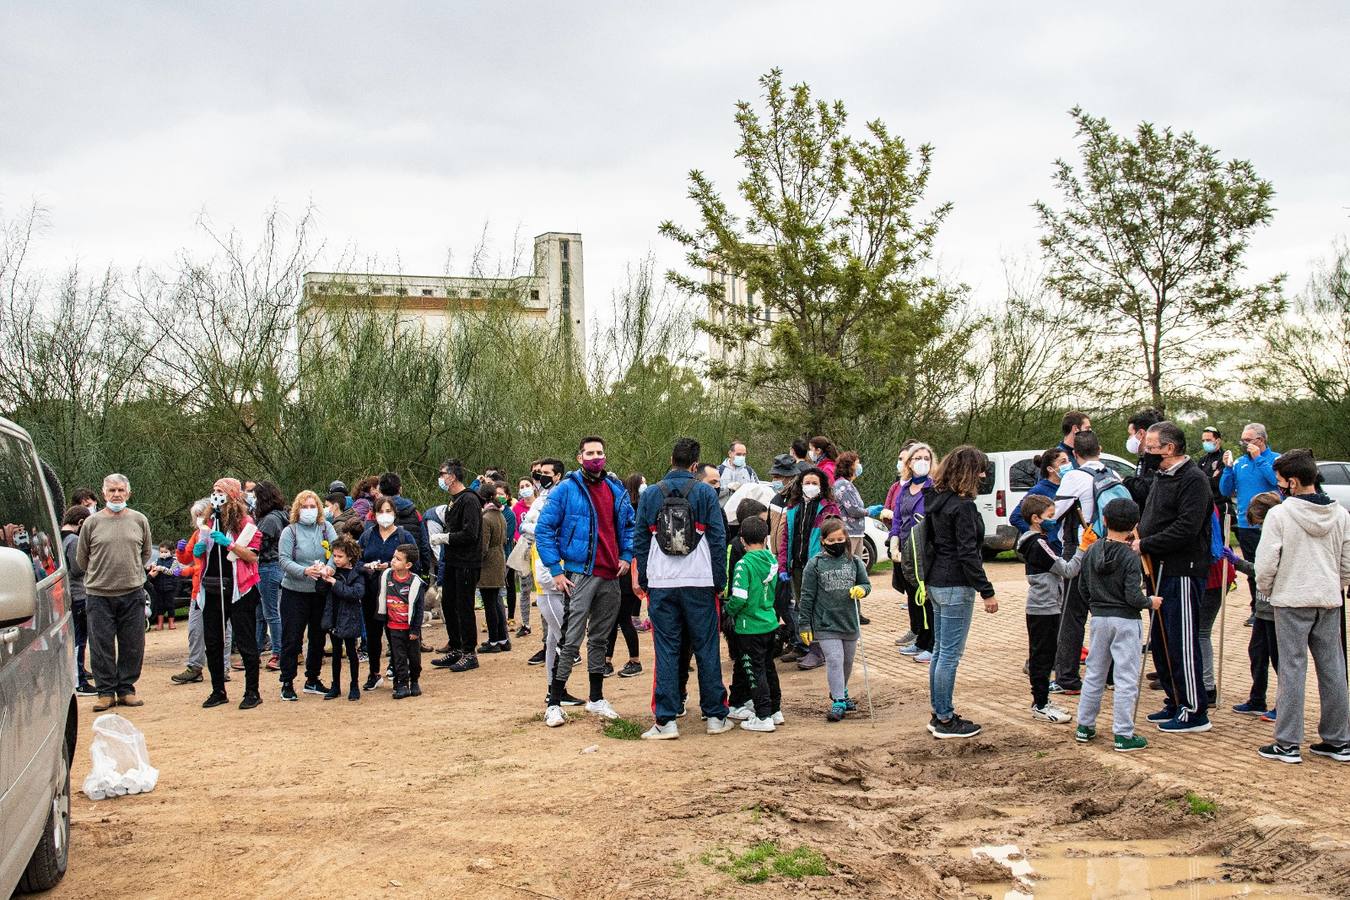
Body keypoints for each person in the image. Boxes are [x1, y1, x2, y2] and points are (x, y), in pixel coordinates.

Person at [1254, 450, 1350, 764]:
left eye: (1281, 481)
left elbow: (1266, 563)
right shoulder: (1342, 515)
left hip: (1292, 600)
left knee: (1292, 669)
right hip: (1327, 598)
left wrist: (1267, 589)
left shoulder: (1280, 515)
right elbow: (1347, 563)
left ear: (1293, 482)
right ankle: (1339, 740)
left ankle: (1287, 743)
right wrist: (1336, 584)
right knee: (1333, 669)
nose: (1279, 485)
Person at [534, 436, 636, 727]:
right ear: (580, 457)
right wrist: (555, 569)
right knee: (569, 639)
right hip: (579, 573)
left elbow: (628, 525)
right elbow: (544, 530)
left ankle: (596, 698)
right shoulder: (566, 489)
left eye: (600, 452)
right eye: (590, 453)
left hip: (610, 575)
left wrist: (626, 555)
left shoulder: (615, 489)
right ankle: (554, 702)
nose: (595, 457)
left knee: (600, 639)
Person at [636, 437, 729, 740]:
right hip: (700, 582)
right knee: (707, 649)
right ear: (694, 465)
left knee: (667, 650)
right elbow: (717, 538)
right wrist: (719, 581)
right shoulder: (704, 492)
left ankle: (666, 720)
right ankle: (715, 716)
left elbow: (639, 540)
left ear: (670, 459)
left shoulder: (651, 494)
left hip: (662, 584)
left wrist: (647, 580)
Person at [1136, 421, 1213, 734]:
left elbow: (1186, 528)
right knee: (1161, 640)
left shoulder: (1193, 479)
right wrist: (1138, 533)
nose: (1147, 453)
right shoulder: (1161, 477)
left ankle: (1194, 710)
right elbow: (1153, 515)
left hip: (1182, 569)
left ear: (1169, 448)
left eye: (1151, 448)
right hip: (1156, 568)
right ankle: (1175, 698)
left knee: (1181, 640)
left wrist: (1146, 543)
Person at [925, 446, 999, 739]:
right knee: (949, 656)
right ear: (969, 472)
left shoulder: (936, 499)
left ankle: (940, 712)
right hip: (956, 583)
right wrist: (987, 591)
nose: (983, 475)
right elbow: (968, 553)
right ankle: (944, 718)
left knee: (940, 652)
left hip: (936, 581)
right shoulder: (963, 506)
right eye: (980, 470)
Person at [1075, 497, 1158, 752]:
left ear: (1105, 521)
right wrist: (1150, 601)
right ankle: (1123, 733)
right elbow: (1133, 595)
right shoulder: (1130, 557)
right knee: (1125, 677)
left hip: (1099, 618)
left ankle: (1084, 726)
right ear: (1134, 525)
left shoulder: (1092, 550)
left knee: (1094, 673)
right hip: (1126, 620)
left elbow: (1082, 587)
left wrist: (1096, 606)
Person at [77, 473, 154, 712]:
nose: (116, 495)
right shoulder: (92, 523)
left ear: (128, 493)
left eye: (121, 490)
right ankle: (105, 692)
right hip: (99, 594)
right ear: (104, 494)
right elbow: (82, 558)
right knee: (101, 645)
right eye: (112, 491)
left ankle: (126, 689)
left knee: (133, 643)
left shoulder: (139, 520)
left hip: (132, 591)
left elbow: (146, 554)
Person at [1050, 430, 1113, 693]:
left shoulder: (1075, 476)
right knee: (1106, 611)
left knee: (1072, 614)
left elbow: (1056, 513)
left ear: (1075, 454)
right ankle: (1109, 676)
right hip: (1109, 548)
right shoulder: (1111, 474)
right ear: (1099, 449)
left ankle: (1067, 678)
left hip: (1081, 546)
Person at [195, 477, 265, 711]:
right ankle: (218, 690)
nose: (216, 495)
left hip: (239, 589)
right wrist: (197, 550)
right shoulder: (208, 520)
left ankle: (252, 691)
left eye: (221, 491)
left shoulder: (245, 523)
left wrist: (230, 544)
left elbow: (253, 556)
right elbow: (197, 553)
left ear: (233, 495)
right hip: (212, 588)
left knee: (245, 641)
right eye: (214, 490)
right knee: (213, 642)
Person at [1016, 494, 1083, 724]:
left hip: (1047, 606)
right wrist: (1083, 548)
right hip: (1042, 608)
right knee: (1042, 657)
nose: (1053, 520)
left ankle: (1042, 700)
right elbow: (1068, 569)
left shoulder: (1037, 541)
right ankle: (1041, 703)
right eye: (1050, 516)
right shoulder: (1037, 544)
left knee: (1045, 655)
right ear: (1036, 519)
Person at [798, 518, 871, 722]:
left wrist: (862, 590)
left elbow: (866, 584)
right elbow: (807, 596)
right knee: (835, 659)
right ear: (823, 541)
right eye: (832, 540)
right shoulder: (815, 564)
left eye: (840, 538)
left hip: (849, 622)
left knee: (847, 662)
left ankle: (842, 690)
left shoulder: (855, 561)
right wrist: (804, 624)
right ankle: (837, 699)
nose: (837, 543)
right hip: (825, 623)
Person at [777, 467, 841, 670]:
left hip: (818, 566)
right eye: (807, 483)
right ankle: (803, 644)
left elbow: (835, 538)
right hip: (796, 565)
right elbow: (786, 537)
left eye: (815, 483)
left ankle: (818, 651)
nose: (810, 486)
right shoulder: (793, 507)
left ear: (822, 486)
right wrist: (783, 565)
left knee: (816, 608)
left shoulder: (828, 508)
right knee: (801, 607)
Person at [277, 489, 338, 700]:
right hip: (294, 591)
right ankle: (287, 681)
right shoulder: (290, 531)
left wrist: (329, 568)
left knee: (318, 637)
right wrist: (304, 570)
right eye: (305, 507)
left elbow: (337, 552)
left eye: (313, 507)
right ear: (297, 509)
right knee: (292, 638)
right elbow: (283, 560)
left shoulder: (326, 528)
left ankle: (312, 678)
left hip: (319, 591)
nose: (309, 510)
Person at [1227, 492, 1282, 718]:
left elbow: (1264, 571)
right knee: (1257, 653)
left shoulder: (1281, 538)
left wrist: (1238, 563)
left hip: (1277, 609)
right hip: (1262, 608)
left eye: (1259, 523)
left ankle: (1283, 705)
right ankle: (1257, 698)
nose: (1258, 528)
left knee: (1280, 660)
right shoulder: (1266, 538)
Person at [726, 514, 782, 733]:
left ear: (742, 540)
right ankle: (775, 711)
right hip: (769, 622)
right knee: (769, 668)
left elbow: (738, 597)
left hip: (749, 628)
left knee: (754, 671)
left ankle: (763, 716)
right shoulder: (772, 560)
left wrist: (729, 611)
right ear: (766, 537)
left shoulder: (744, 564)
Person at [1220, 423, 1280, 615]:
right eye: (1243, 440)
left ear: (1260, 440)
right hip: (1246, 524)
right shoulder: (1239, 463)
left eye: (1247, 440)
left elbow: (1275, 481)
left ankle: (1274, 606)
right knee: (1252, 568)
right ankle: (1257, 608)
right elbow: (1225, 490)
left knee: (1271, 567)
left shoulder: (1276, 459)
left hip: (1271, 524)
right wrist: (1228, 469)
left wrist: (1259, 459)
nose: (1243, 444)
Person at [171, 498, 231, 686]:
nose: (198, 519)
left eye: (201, 515)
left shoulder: (220, 533)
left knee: (223, 630)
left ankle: (224, 667)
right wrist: (180, 552)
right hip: (199, 589)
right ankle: (195, 666)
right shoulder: (198, 534)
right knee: (195, 630)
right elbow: (189, 558)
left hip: (219, 586)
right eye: (196, 516)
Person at [358, 496, 416, 689]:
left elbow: (415, 561)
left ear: (394, 513)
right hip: (371, 592)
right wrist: (367, 566)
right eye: (380, 511)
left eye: (388, 511)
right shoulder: (367, 536)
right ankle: (374, 672)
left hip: (396, 593)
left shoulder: (403, 536)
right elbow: (355, 561)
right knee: (373, 634)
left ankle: (399, 670)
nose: (385, 515)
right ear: (374, 514)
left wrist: (392, 568)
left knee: (396, 633)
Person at [433, 460, 484, 673]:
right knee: (448, 603)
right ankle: (455, 645)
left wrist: (446, 538)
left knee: (464, 606)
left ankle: (469, 651)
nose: (441, 478)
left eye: (442, 474)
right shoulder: (455, 500)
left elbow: (471, 533)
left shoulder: (470, 499)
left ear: (452, 476)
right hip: (453, 560)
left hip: (467, 561)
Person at [889, 443, 934, 663]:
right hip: (906, 549)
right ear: (909, 463)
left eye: (926, 458)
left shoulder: (933, 488)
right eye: (918, 458)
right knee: (913, 597)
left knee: (926, 597)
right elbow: (897, 518)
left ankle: (931, 642)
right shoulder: (904, 489)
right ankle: (920, 639)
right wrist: (894, 542)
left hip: (924, 550)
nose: (922, 462)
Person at [604, 473, 647, 679]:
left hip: (626, 573)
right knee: (612, 619)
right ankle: (607, 660)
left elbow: (633, 543)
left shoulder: (627, 515)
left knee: (622, 619)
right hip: (612, 572)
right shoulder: (609, 515)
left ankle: (635, 661)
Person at [378, 544, 427, 700]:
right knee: (398, 657)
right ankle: (402, 684)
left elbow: (419, 609)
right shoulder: (387, 576)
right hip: (393, 626)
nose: (393, 561)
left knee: (414, 658)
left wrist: (415, 630)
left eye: (397, 559)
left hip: (410, 628)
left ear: (408, 565)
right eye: (393, 557)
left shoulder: (415, 582)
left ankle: (414, 681)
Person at [320, 536, 365, 701]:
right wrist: (323, 576)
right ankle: (335, 685)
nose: (336, 559)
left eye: (340, 556)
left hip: (350, 618)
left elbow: (356, 593)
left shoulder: (357, 573)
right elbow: (320, 591)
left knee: (352, 652)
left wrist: (334, 583)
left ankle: (354, 685)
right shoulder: (333, 571)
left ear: (350, 557)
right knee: (336, 652)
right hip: (333, 616)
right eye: (334, 556)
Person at [252, 481, 288, 669]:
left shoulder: (269, 521)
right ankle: (255, 651)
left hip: (268, 567)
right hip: (274, 567)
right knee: (262, 613)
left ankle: (278, 652)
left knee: (271, 613)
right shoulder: (281, 516)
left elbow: (259, 547)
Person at [60, 505, 95, 695]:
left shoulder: (59, 537)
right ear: (81, 522)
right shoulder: (73, 540)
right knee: (80, 641)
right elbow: (77, 568)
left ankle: (76, 678)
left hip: (68, 595)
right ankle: (79, 681)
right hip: (78, 594)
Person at [1008, 447, 1069, 553]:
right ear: (1050, 469)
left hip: (1065, 544)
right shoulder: (1039, 490)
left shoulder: (1068, 487)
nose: (1068, 465)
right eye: (1063, 462)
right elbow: (1015, 517)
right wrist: (1039, 534)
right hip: (1051, 546)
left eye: (1069, 461)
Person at [476, 481, 511, 654]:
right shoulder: (500, 515)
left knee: (490, 604)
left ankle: (493, 640)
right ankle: (503, 638)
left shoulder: (486, 518)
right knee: (496, 602)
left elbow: (483, 546)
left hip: (488, 564)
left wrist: (475, 561)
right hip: (499, 559)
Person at [379, 472, 432, 577]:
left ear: (380, 491)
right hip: (410, 569)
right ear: (400, 489)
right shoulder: (415, 513)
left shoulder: (376, 513)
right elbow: (424, 543)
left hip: (383, 569)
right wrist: (425, 570)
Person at [511, 477, 536, 637]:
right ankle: (526, 624)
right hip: (524, 548)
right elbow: (514, 528)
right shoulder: (517, 508)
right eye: (522, 486)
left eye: (527, 485)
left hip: (540, 547)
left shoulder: (541, 503)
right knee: (525, 587)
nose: (525, 488)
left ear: (533, 487)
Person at [832, 452, 868, 559]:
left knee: (857, 568)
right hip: (849, 533)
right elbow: (853, 510)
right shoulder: (843, 485)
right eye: (857, 463)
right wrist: (868, 511)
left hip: (855, 532)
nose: (859, 466)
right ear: (849, 466)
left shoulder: (848, 484)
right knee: (849, 566)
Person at [146, 541, 180, 630]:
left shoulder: (174, 561)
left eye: (165, 552)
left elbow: (171, 572)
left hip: (170, 587)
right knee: (160, 606)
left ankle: (171, 623)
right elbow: (152, 565)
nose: (163, 554)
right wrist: (151, 566)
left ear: (171, 552)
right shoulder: (158, 560)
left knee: (170, 605)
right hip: (159, 587)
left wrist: (162, 568)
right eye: (161, 552)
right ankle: (160, 623)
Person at [1196, 427, 1228, 516]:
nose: (1205, 443)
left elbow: (1217, 483)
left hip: (1220, 505)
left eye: (1208, 440)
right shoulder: (1202, 460)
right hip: (1205, 504)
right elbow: (1196, 482)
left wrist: (1203, 478)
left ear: (1217, 441)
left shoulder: (1224, 458)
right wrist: (1210, 478)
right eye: (1203, 441)